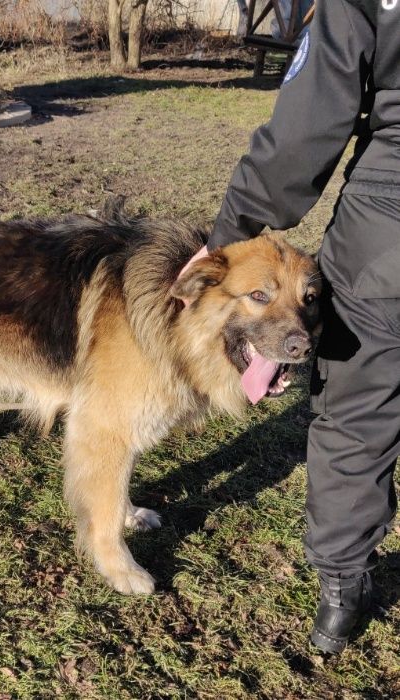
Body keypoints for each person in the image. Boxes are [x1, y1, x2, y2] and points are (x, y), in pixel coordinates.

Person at [183, 0, 400, 653]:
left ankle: (340, 594)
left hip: (389, 220)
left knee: (356, 414)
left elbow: (308, 124)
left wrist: (230, 234)